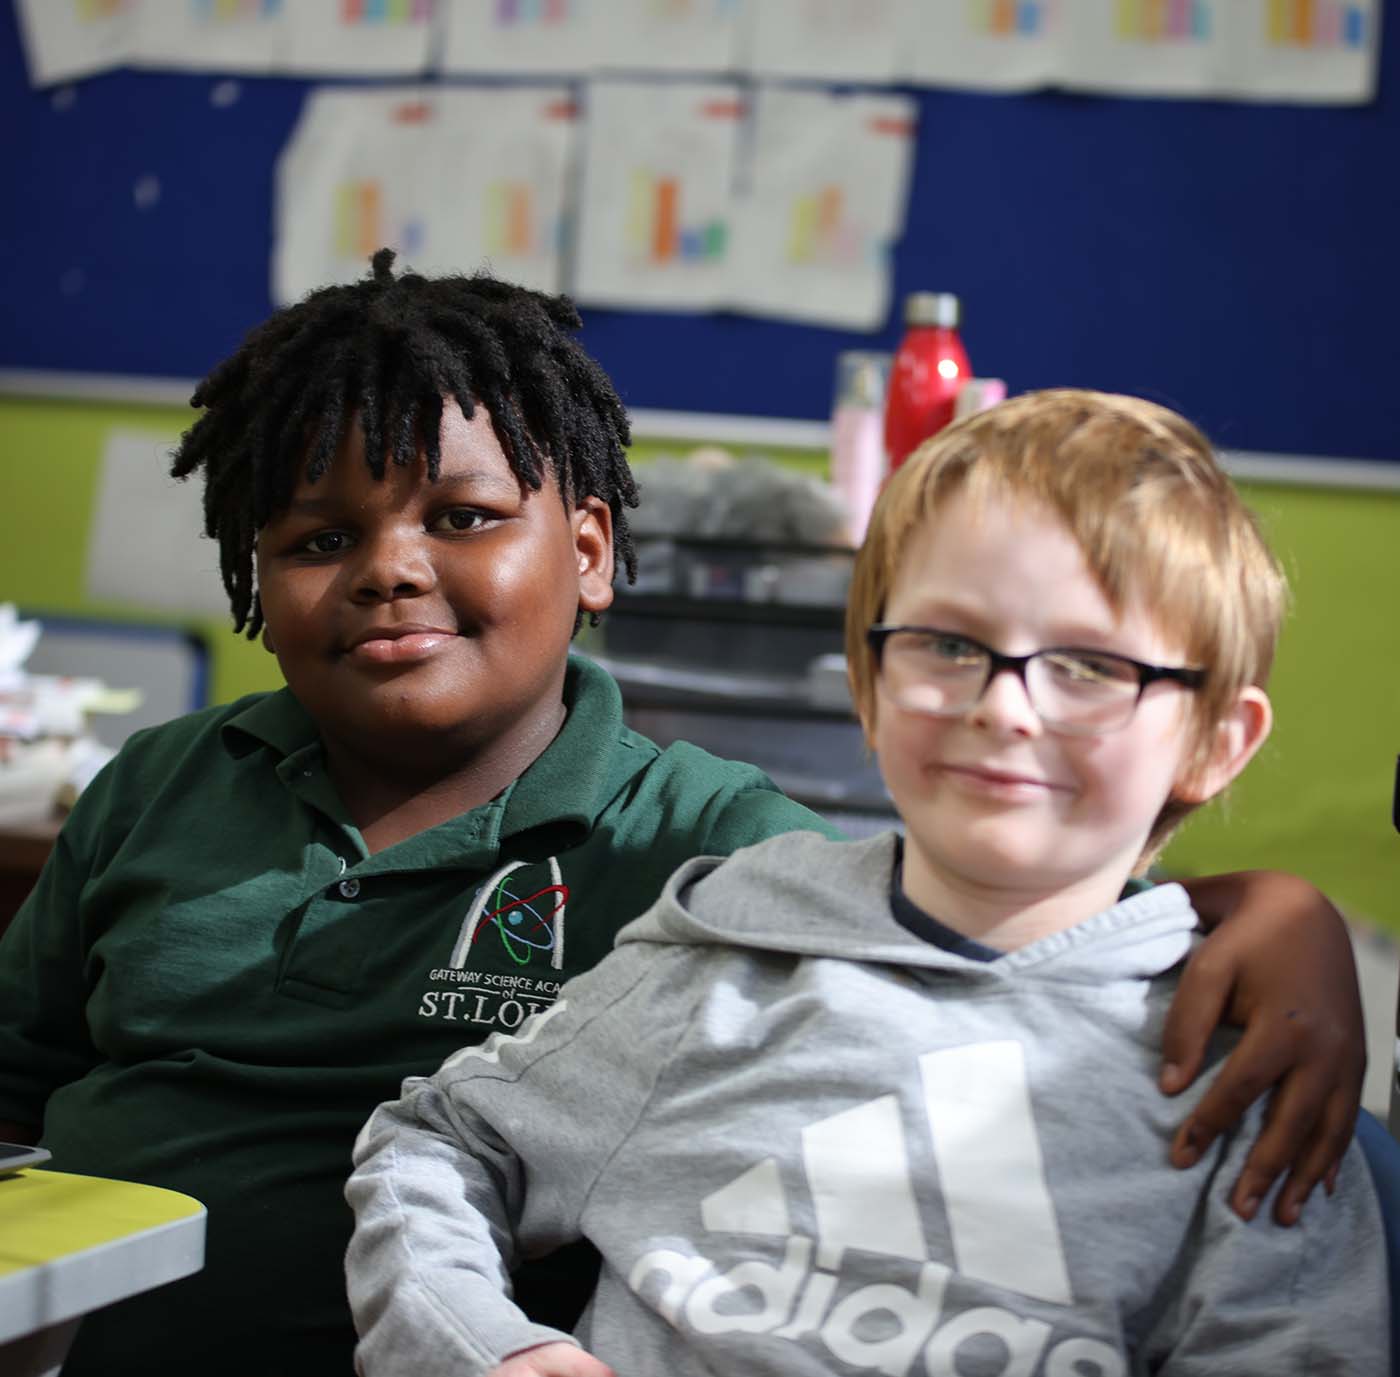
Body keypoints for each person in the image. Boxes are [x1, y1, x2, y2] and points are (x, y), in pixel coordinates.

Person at [0, 251, 1361, 1376]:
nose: (388, 569)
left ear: (589, 553)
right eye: (314, 542)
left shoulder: (701, 852)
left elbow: (984, 929)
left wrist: (1268, 914)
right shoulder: (155, 784)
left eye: (462, 515)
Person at [345, 389, 1388, 1376]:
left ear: (1213, 741)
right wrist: (484, 1345)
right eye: (945, 643)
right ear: (868, 681)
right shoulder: (722, 963)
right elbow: (439, 1144)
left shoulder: (1249, 1075)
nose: (1005, 707)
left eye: (1088, 667)